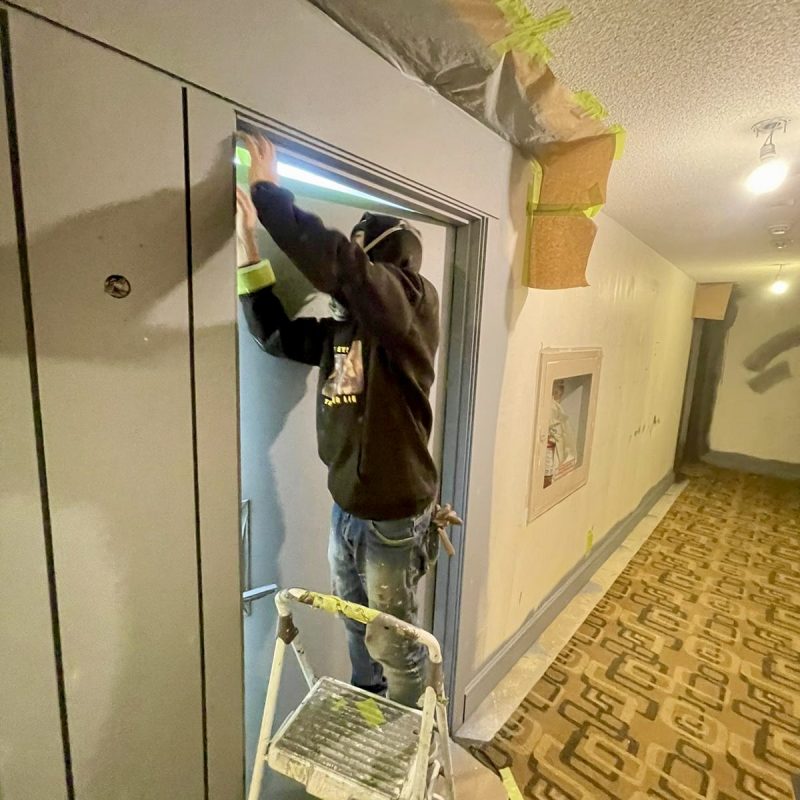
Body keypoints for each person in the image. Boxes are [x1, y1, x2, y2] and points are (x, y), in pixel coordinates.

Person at [236, 132, 441, 708]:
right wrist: (249, 249)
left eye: (361, 255)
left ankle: (405, 735)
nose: (349, 276)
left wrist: (269, 195)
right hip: (347, 508)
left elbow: (348, 272)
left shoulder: (412, 307)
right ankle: (369, 710)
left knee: (394, 640)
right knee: (356, 622)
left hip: (394, 515)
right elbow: (276, 335)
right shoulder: (343, 335)